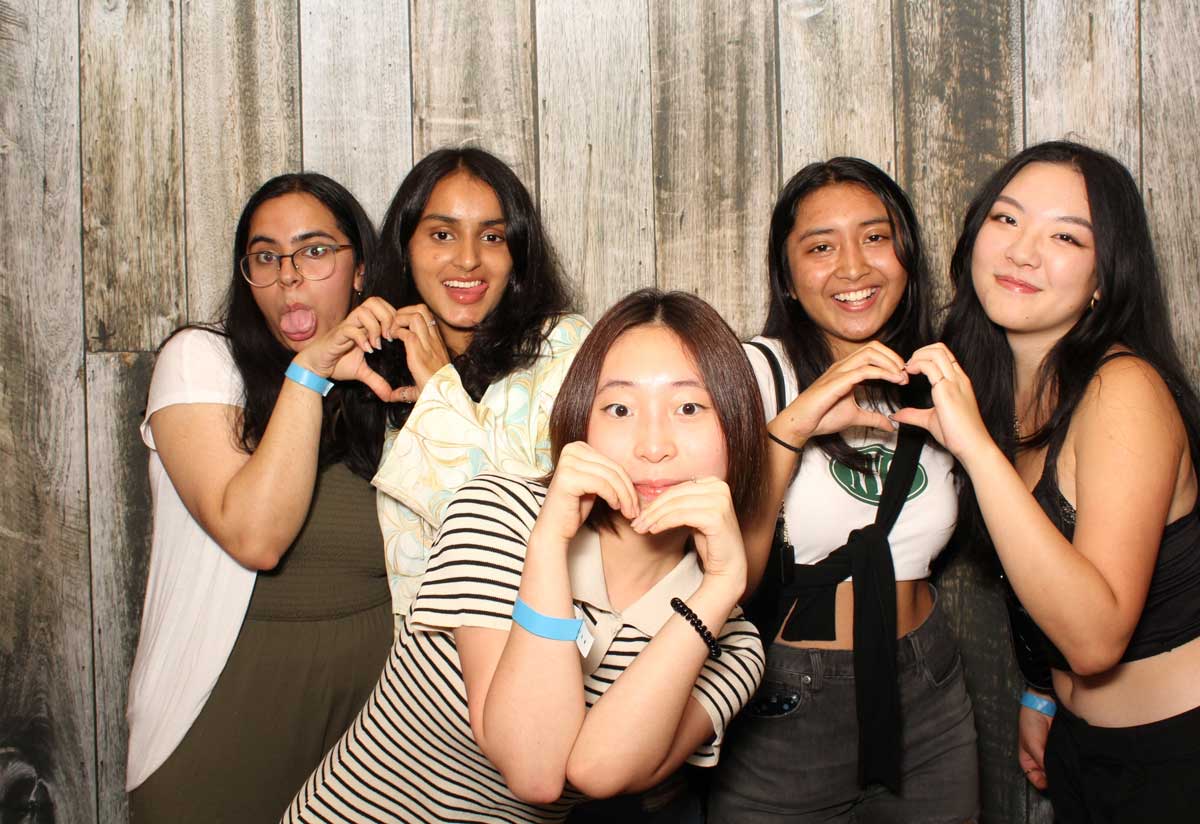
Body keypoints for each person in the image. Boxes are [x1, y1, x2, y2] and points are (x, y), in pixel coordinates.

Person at [282, 289, 768, 824]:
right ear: (582, 422)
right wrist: (547, 545)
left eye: (689, 407)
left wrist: (720, 588)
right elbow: (532, 768)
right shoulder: (498, 509)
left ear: (737, 428)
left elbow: (593, 771)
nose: (653, 445)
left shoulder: (734, 643)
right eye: (620, 408)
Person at [894, 141, 1200, 820]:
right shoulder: (1007, 390)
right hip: (1083, 746)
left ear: (1104, 276)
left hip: (1176, 757)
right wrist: (1039, 689)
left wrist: (974, 446)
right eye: (1007, 220)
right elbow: (1040, 566)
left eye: (1065, 235)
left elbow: (1095, 641)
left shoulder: (1124, 390)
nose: (1023, 251)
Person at [709, 158, 979, 822]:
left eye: (876, 237)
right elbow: (724, 570)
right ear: (790, 278)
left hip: (929, 682)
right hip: (786, 697)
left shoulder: (937, 377)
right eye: (821, 247)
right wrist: (800, 420)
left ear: (907, 257)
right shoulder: (753, 372)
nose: (853, 267)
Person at [126, 173, 400, 821]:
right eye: (266, 256)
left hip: (374, 751)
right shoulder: (201, 363)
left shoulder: (387, 392)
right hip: (226, 733)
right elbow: (256, 535)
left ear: (359, 271)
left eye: (314, 251)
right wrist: (308, 374)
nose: (288, 276)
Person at [365, 147, 588, 621]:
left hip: (533, 647)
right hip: (420, 666)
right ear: (406, 247)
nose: (467, 260)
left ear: (518, 254)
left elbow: (517, 537)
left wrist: (436, 390)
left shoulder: (566, 348)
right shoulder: (381, 369)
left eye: (492, 237)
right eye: (442, 234)